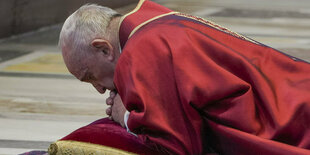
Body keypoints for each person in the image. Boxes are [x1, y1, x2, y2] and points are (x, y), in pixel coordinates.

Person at [59, 0, 310, 154]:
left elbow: (176, 146)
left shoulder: (145, 51)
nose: (99, 90)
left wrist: (125, 116)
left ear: (104, 48)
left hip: (295, 123)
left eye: (90, 76)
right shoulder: (155, 21)